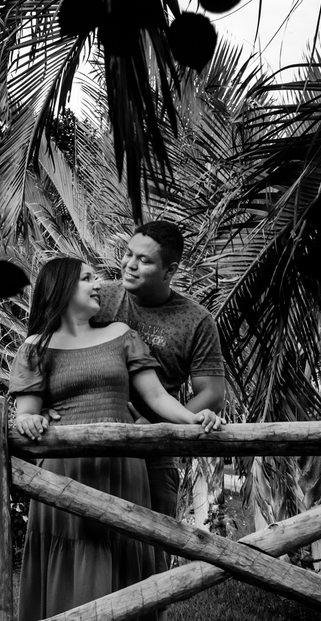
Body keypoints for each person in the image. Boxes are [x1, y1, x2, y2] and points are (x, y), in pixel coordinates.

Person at [9, 257, 224, 621]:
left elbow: (156, 397)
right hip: (65, 478)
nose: (98, 285)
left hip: (124, 473)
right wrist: (30, 422)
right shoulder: (35, 346)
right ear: (62, 288)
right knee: (78, 579)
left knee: (125, 574)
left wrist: (194, 417)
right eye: (87, 278)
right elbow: (26, 414)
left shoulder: (123, 337)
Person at [92, 221, 227, 568]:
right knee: (94, 552)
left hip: (156, 451)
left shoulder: (196, 320)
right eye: (127, 254)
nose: (129, 265)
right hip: (91, 443)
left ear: (170, 270)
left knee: (150, 558)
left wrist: (157, 425)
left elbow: (212, 393)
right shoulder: (100, 299)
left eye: (144, 260)